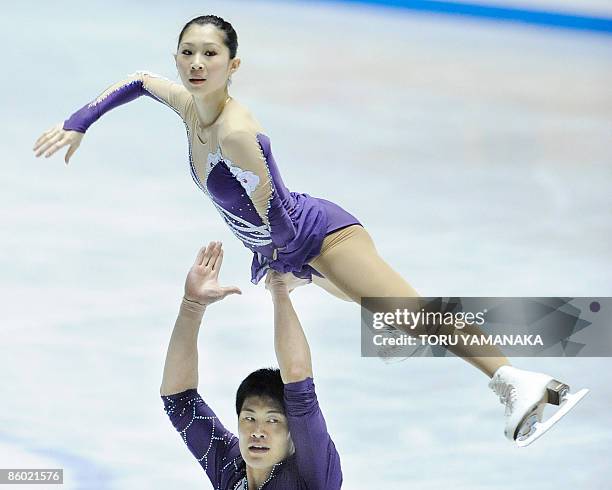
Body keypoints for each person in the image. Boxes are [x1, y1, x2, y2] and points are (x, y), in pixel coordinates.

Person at [33, 14, 587, 445]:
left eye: (211, 54)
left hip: (318, 236)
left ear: (233, 63)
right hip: (293, 249)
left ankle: (518, 383)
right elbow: (136, 81)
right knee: (403, 322)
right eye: (188, 53)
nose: (197, 63)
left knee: (413, 314)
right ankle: (514, 379)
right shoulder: (187, 106)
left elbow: (274, 202)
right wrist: (77, 122)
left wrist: (284, 260)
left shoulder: (235, 131)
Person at [160, 240, 342, 489]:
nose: (258, 431)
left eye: (273, 420)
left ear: (294, 433)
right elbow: (179, 400)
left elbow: (299, 382)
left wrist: (279, 289)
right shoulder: (231, 469)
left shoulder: (312, 475)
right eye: (249, 418)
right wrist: (191, 306)